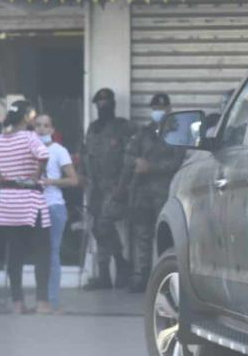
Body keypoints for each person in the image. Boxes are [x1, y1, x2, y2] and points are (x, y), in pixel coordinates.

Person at [0, 101, 51, 314]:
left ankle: (17, 302)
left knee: (15, 254)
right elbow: (43, 155)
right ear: (25, 117)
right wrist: (35, 175)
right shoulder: (30, 137)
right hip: (30, 201)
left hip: (7, 203)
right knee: (43, 251)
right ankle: (41, 302)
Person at [118, 93, 186, 292]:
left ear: (169, 109)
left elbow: (176, 162)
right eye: (155, 108)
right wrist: (135, 163)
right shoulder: (144, 133)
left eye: (162, 108)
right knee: (142, 235)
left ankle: (166, 278)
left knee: (166, 235)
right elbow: (128, 156)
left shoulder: (177, 133)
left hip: (164, 192)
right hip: (142, 193)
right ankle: (142, 276)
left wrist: (151, 167)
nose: (159, 112)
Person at [80, 88, 135, 290]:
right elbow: (85, 152)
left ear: (112, 104)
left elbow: (132, 157)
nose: (103, 106)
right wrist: (82, 173)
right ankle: (104, 275)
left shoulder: (124, 126)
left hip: (115, 186)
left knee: (103, 226)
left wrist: (125, 185)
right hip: (95, 187)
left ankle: (122, 263)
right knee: (97, 227)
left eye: (106, 103)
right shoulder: (93, 128)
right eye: (100, 103)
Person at [34, 114, 79, 311]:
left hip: (53, 206)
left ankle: (52, 300)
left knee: (52, 252)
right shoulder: (29, 150)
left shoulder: (59, 151)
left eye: (46, 126)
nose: (42, 129)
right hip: (33, 206)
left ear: (52, 130)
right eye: (38, 126)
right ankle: (40, 299)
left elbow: (73, 179)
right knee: (38, 253)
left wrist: (52, 182)